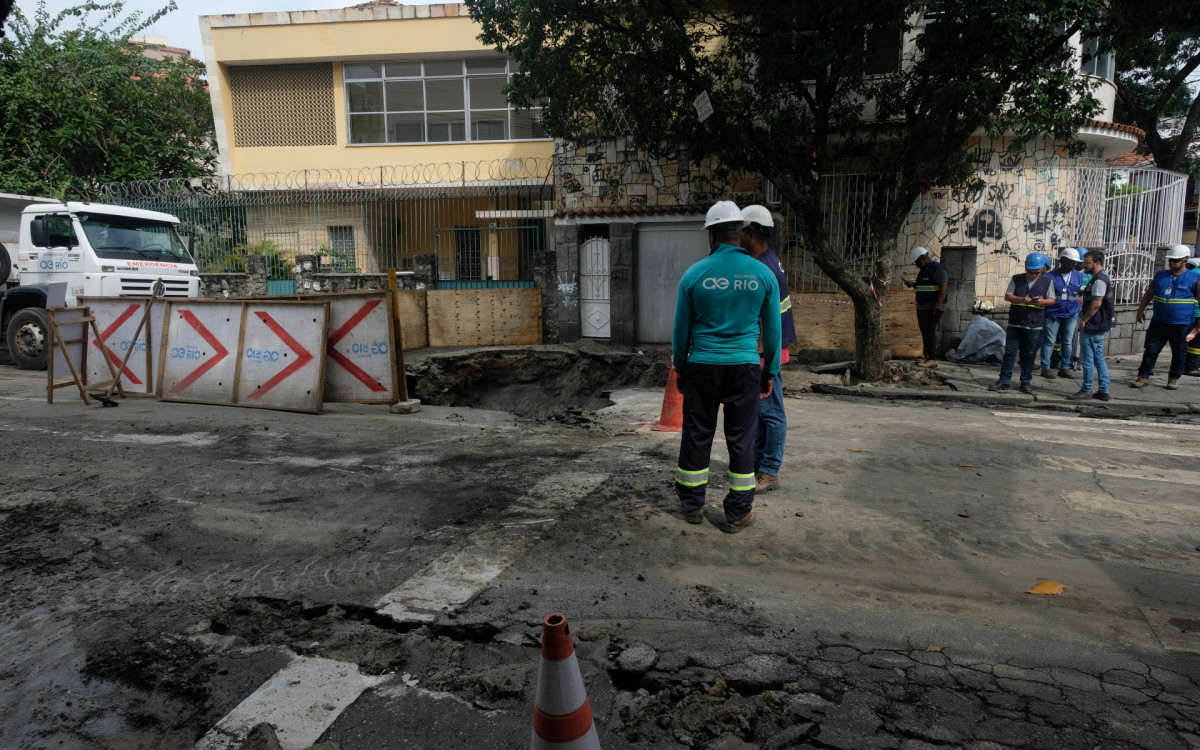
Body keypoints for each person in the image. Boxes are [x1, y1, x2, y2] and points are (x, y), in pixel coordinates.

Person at [672, 201, 781, 531]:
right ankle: (737, 512)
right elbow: (773, 332)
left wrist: (681, 368)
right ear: (739, 232)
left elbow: (680, 331)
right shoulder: (763, 274)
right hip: (745, 367)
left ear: (712, 236)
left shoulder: (693, 275)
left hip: (702, 366)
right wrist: (769, 371)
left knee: (696, 433)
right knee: (742, 439)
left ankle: (693, 505)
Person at [740, 205, 797, 493]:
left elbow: (765, 319)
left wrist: (762, 357)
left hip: (767, 351)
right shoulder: (770, 261)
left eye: (740, 231)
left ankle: (770, 470)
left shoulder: (763, 267)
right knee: (762, 411)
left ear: (750, 234)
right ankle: (760, 464)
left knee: (771, 411)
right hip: (770, 349)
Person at [1131, 244, 1200, 390]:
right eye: (1171, 260)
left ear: (1185, 261)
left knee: (1179, 352)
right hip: (1159, 321)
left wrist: (1198, 321)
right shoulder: (1161, 276)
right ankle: (1143, 376)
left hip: (1182, 323)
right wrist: (1140, 310)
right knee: (1151, 350)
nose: (1172, 263)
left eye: (1176, 260)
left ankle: (1173, 378)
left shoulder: (1195, 278)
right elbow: (1149, 293)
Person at [989, 252, 1055, 394]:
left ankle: (1025, 381)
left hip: (1034, 325)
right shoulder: (1017, 279)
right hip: (1015, 323)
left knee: (1029, 354)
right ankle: (1004, 381)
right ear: (1026, 268)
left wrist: (1042, 301)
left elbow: (1052, 300)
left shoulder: (1047, 281)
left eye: (1037, 272)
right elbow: (1008, 296)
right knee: (1010, 353)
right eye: (1031, 273)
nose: (1035, 275)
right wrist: (1021, 300)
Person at [1068, 249, 1116, 401]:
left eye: (1087, 263)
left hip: (1094, 325)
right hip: (1100, 324)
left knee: (1088, 358)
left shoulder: (1099, 280)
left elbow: (1096, 304)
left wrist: (1083, 320)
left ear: (1097, 263)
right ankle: (1103, 390)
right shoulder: (1099, 278)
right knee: (1098, 357)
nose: (1084, 265)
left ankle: (1087, 389)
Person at [1040, 247, 1084, 379]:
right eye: (1071, 262)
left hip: (1071, 313)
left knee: (1067, 342)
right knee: (1049, 341)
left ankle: (1064, 368)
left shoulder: (1078, 275)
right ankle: (1045, 368)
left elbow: (1079, 292)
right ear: (1063, 261)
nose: (1074, 265)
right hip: (1053, 314)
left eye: (1075, 263)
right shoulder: (1049, 277)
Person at [902, 246, 948, 367]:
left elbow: (943, 286)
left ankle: (932, 358)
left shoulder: (937, 268)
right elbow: (923, 287)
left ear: (923, 258)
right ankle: (927, 356)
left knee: (929, 331)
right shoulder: (923, 271)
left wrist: (939, 304)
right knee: (925, 331)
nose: (916, 265)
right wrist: (912, 284)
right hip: (923, 306)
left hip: (933, 306)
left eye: (917, 262)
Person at [1187, 255, 1200, 377]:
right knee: (1195, 341)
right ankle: (1191, 366)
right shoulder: (1197, 274)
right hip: (1197, 313)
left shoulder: (1194, 272)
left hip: (1194, 312)